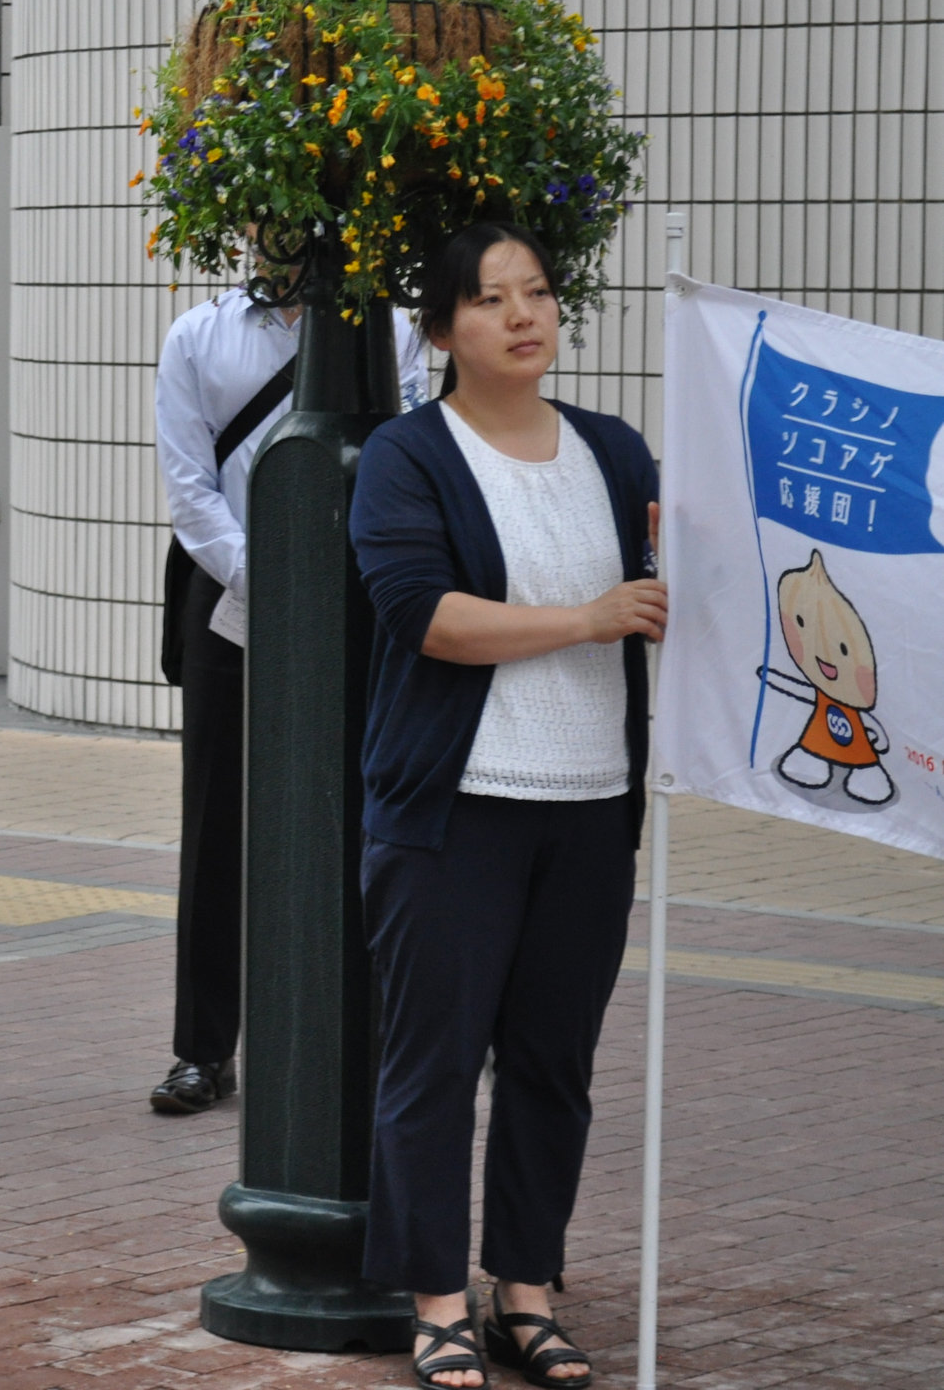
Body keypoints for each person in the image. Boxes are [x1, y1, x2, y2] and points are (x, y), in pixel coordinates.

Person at [350, 222, 661, 1390]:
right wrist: (589, 617)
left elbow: (693, 574)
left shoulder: (614, 451)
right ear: (440, 329)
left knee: (551, 1061)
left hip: (588, 806)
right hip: (450, 812)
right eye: (489, 299)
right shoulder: (407, 456)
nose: (522, 315)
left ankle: (524, 1289)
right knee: (433, 1064)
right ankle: (436, 1302)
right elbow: (425, 617)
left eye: (536, 293)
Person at [148, 272, 430, 1113]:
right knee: (216, 822)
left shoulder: (394, 328)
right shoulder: (198, 334)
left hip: (358, 590)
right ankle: (203, 1049)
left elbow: (403, 455)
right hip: (231, 590)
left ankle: (371, 1033)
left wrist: (338, 576)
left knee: (364, 807)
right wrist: (265, 577)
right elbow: (188, 486)